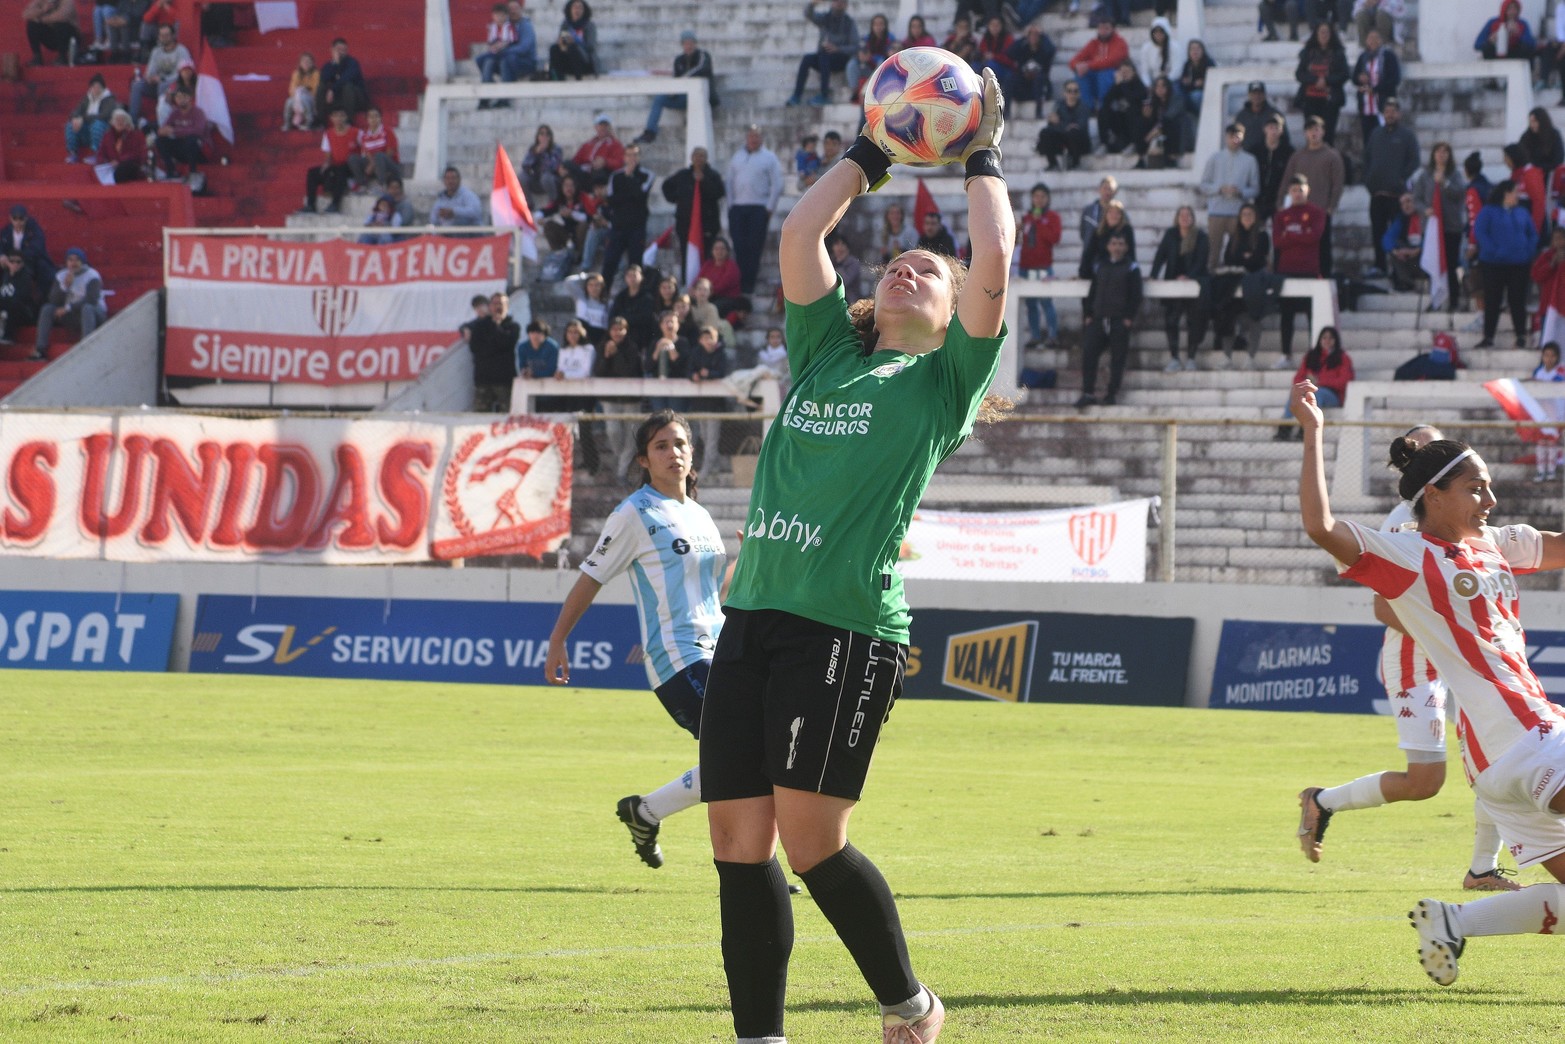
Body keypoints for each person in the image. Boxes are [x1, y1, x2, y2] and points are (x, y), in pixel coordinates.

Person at [699, 64, 1008, 1044]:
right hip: (751, 616)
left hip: (842, 631)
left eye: (928, 270)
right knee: (734, 845)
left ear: (953, 308)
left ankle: (910, 1006)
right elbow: (799, 235)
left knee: (808, 843)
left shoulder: (940, 383)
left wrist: (978, 155)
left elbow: (993, 260)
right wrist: (872, 150)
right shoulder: (829, 350)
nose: (904, 270)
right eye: (897, 265)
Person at [1288, 392, 1565, 990]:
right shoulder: (1408, 553)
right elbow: (1321, 527)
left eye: (1489, 487)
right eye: (1476, 488)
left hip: (1499, 766)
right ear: (1433, 495)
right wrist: (1313, 433)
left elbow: (1560, 545)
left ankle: (1452, 920)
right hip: (1526, 739)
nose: (1489, 500)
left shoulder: (1495, 541)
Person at [1294, 421, 1524, 891]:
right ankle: (1324, 800)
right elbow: (1384, 605)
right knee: (1425, 782)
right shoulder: (1402, 526)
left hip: (1471, 663)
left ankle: (1483, 867)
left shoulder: (1472, 525)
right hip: (1417, 662)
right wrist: (1450, 635)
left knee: (1500, 755)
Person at [548, 409, 728, 868]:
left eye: (681, 444)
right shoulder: (634, 513)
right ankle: (749, 865)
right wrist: (558, 641)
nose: (674, 453)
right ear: (644, 460)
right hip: (677, 657)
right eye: (661, 446)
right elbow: (591, 577)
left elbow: (714, 594)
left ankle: (645, 812)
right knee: (745, 753)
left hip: (723, 651)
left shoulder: (701, 514)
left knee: (747, 758)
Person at [1077, 230, 1142, 407]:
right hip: (1098, 319)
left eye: (1121, 244)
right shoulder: (1100, 265)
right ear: (1108, 246)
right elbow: (1092, 292)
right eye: (1114, 243)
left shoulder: (1131, 267)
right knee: (1089, 355)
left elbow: (1136, 295)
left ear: (1126, 247)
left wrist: (1128, 317)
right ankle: (1088, 392)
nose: (1117, 247)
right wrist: (1088, 314)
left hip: (1119, 320)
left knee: (1117, 359)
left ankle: (1111, 394)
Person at [1279, 116, 1345, 279]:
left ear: (1323, 131)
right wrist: (1280, 203)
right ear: (1305, 133)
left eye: (1317, 129)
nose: (1313, 133)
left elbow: (1338, 183)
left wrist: (1331, 206)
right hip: (1297, 212)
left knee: (1322, 248)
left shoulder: (1332, 156)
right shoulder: (1297, 156)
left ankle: (1324, 278)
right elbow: (1287, 180)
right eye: (1310, 130)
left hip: (1321, 211)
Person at [1474, 180, 1538, 348]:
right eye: (1515, 192)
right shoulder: (1488, 211)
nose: (1518, 195)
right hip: (1493, 264)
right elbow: (1480, 232)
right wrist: (1493, 250)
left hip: (1519, 264)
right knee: (1492, 300)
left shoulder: (1522, 212)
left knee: (1517, 300)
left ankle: (1521, 335)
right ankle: (1488, 337)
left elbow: (1532, 234)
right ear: (1506, 193)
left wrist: (1528, 251)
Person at [1273, 174, 1327, 367]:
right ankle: (1285, 354)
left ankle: (1315, 356)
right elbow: (1277, 242)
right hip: (1286, 271)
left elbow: (1315, 236)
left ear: (1307, 191)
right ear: (1289, 192)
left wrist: (1292, 235)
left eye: (1300, 190)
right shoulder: (1281, 216)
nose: (1297, 194)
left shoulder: (1316, 212)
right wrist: (1301, 234)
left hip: (1309, 269)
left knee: (1312, 315)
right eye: (1294, 190)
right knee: (1286, 315)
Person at [1363, 97, 1421, 275]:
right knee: (1377, 232)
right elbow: (1367, 159)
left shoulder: (1407, 135)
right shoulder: (1375, 134)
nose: (1390, 115)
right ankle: (1379, 266)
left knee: (1398, 235)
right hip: (1377, 194)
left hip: (1397, 196)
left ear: (1399, 114)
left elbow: (1415, 161)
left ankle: (1399, 270)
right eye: (1387, 111)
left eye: (1393, 111)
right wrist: (1370, 180)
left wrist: (1400, 179)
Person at [1210, 201, 1271, 366]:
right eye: (1243, 215)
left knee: (1254, 319)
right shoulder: (1234, 237)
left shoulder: (1262, 236)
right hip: (1232, 284)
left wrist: (1246, 259)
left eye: (1250, 215)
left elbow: (1258, 259)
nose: (1247, 218)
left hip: (1254, 283)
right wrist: (1245, 258)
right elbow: (1229, 258)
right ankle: (1227, 357)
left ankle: (1251, 357)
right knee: (1227, 316)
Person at [726, 125, 784, 297]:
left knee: (754, 246)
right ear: (746, 138)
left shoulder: (769, 158)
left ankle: (749, 284)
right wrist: (731, 206)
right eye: (751, 136)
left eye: (756, 136)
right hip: (738, 208)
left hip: (759, 208)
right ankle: (739, 282)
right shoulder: (737, 157)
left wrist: (769, 207)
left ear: (761, 138)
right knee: (739, 246)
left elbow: (777, 184)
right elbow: (729, 182)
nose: (753, 139)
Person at [1150, 205, 1209, 372]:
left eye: (1188, 215)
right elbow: (1161, 255)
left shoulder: (1201, 236)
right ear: (1177, 217)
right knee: (1171, 321)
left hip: (1194, 285)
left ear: (1193, 218)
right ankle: (1174, 358)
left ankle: (1191, 357)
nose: (1185, 218)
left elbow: (1201, 260)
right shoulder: (1171, 234)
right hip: (1173, 285)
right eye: (1181, 215)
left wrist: (1189, 275)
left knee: (1194, 322)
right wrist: (1154, 274)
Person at [1409, 141, 1468, 311]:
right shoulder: (1425, 175)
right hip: (1433, 227)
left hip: (1451, 227)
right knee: (1434, 262)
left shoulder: (1454, 175)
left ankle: (1454, 299)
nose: (1442, 155)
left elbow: (1459, 194)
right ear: (1433, 154)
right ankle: (1436, 298)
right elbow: (1417, 198)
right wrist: (1424, 210)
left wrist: (1445, 183)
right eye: (1438, 151)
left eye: (1445, 152)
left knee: (1450, 263)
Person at [635, 30, 716, 144]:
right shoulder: (679, 60)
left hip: (701, 97)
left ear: (695, 43)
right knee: (660, 98)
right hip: (683, 97)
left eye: (691, 43)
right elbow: (676, 80)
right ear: (682, 45)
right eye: (686, 43)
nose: (688, 46)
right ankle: (650, 132)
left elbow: (701, 69)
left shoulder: (703, 55)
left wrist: (682, 80)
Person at [662, 147, 726, 282]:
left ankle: (706, 285)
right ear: (691, 158)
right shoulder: (683, 175)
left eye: (702, 156)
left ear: (706, 158)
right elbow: (666, 186)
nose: (699, 159)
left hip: (708, 225)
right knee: (687, 256)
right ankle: (688, 283)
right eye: (696, 155)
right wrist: (675, 197)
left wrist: (703, 181)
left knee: (709, 255)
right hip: (686, 225)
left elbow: (719, 193)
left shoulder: (713, 175)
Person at [1201, 123, 1260, 269]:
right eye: (1231, 136)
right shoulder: (1215, 158)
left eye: (1238, 137)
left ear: (1243, 138)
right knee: (1213, 251)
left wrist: (1240, 192)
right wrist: (1219, 189)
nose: (1234, 140)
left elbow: (1255, 188)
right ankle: (1212, 280)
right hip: (1216, 211)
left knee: (1237, 249)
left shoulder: (1250, 160)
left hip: (1238, 213)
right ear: (1226, 137)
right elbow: (1203, 185)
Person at [30, 247, 105, 361]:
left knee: (87, 308)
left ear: (82, 261)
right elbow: (53, 300)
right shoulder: (61, 275)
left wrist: (68, 307)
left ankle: (87, 348)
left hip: (93, 313)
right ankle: (40, 350)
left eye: (76, 260)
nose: (73, 263)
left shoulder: (92, 275)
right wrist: (65, 286)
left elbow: (91, 300)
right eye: (70, 260)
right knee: (47, 308)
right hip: (71, 314)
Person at [1277, 326, 1352, 437]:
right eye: (1324, 338)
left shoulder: (1343, 358)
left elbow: (1344, 381)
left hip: (1332, 394)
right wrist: (1307, 383)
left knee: (1317, 394)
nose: (1327, 341)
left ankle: (1305, 428)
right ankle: (1285, 426)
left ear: (1335, 340)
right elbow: (1298, 378)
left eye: (1330, 338)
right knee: (1296, 392)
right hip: (1310, 389)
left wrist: (1320, 382)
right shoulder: (1311, 356)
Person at [600, 144, 655, 290]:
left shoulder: (647, 174)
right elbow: (611, 200)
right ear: (624, 157)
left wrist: (629, 178)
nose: (632, 158)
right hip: (618, 226)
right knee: (609, 262)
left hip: (637, 226)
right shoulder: (616, 176)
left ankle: (636, 295)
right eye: (629, 155)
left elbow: (640, 195)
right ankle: (603, 295)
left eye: (635, 155)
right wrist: (629, 190)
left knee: (635, 264)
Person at [787, 0, 859, 107]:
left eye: (842, 1)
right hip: (824, 58)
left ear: (846, 5)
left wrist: (837, 48)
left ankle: (824, 95)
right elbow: (808, 14)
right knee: (808, 58)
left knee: (824, 55)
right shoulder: (825, 18)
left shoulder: (849, 22)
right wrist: (813, 3)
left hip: (841, 59)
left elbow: (855, 47)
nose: (838, 3)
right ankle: (796, 95)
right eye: (836, 1)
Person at [1292, 24, 1349, 150]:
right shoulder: (1307, 52)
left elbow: (1344, 74)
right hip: (1310, 100)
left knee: (1328, 136)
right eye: (1321, 32)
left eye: (1326, 32)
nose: (1324, 35)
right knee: (1311, 135)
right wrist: (1315, 80)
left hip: (1330, 101)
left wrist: (1326, 80)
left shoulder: (1338, 53)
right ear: (1316, 34)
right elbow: (1299, 74)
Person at [1018, 183, 1061, 349]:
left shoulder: (1052, 217)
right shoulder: (1027, 217)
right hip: (1026, 266)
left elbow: (1054, 238)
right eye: (1036, 196)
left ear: (1047, 199)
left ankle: (1052, 336)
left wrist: (1040, 223)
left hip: (1043, 266)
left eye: (1042, 196)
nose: (1039, 200)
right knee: (1031, 303)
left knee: (1046, 302)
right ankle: (1035, 336)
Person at [129, 23, 191, 131]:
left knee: (163, 84)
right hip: (157, 86)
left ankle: (160, 121)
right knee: (137, 85)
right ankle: (131, 121)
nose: (164, 38)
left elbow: (183, 74)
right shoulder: (156, 51)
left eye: (167, 35)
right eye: (162, 35)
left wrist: (162, 79)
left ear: (173, 36)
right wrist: (150, 78)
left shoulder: (182, 51)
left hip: (177, 88)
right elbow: (150, 71)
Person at [468, 290, 520, 411]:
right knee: (480, 418)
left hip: (504, 380)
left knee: (506, 416)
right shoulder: (480, 326)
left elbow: (507, 343)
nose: (498, 307)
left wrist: (496, 326)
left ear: (507, 306)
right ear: (490, 306)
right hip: (483, 379)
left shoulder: (513, 326)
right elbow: (475, 347)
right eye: (495, 303)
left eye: (501, 304)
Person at [300, 107, 356, 215]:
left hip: (349, 167)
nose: (338, 118)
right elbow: (328, 155)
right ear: (331, 118)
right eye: (336, 116)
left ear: (346, 117)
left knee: (341, 170)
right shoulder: (328, 134)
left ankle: (335, 204)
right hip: (335, 166)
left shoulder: (356, 132)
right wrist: (326, 165)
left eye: (341, 115)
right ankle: (311, 204)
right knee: (313, 173)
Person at [1069, 17, 1129, 113]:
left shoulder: (1120, 42)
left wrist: (1088, 65)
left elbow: (1111, 61)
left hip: (1116, 78)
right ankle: (1087, 109)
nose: (1103, 31)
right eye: (1100, 28)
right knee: (1080, 75)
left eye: (1106, 28)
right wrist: (1077, 66)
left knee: (1105, 74)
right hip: (1096, 80)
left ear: (1113, 29)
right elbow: (1074, 60)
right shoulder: (1093, 43)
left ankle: (1104, 108)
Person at [1352, 28, 1400, 145]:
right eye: (1370, 38)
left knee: (1385, 138)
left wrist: (1375, 89)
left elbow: (1394, 79)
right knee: (1368, 139)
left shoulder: (1388, 56)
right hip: (1366, 106)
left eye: (1376, 38)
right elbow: (1354, 77)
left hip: (1383, 104)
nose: (1373, 41)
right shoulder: (1363, 57)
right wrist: (1360, 78)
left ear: (1381, 41)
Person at [155, 85, 209, 182]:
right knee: (160, 141)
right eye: (178, 97)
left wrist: (175, 131)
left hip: (198, 150)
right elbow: (163, 129)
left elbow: (198, 131)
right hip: (182, 148)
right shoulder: (175, 113)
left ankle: (193, 172)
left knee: (191, 139)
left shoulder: (198, 112)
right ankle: (171, 171)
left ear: (189, 98)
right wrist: (163, 131)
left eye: (183, 97)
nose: (180, 100)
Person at [1035, 79, 1090, 171]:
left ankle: (1075, 163)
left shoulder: (1083, 107)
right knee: (1046, 132)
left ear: (1079, 93)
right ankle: (1053, 164)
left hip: (1079, 142)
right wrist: (1066, 126)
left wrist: (1061, 124)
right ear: (1064, 93)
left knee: (1074, 133)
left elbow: (1080, 126)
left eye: (1075, 91)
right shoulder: (1059, 106)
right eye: (1069, 91)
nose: (1072, 94)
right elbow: (1052, 124)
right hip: (1062, 140)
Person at [64, 74, 116, 163]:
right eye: (94, 87)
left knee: (97, 124)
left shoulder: (109, 99)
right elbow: (76, 111)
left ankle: (97, 154)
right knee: (71, 124)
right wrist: (75, 118)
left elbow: (104, 115)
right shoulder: (86, 99)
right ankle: (72, 153)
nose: (96, 89)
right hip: (86, 130)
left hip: (102, 129)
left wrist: (83, 119)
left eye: (98, 87)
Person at [1097, 60, 1146, 155]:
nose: (1124, 75)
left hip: (1134, 124)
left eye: (1127, 72)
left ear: (1133, 73)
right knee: (1103, 111)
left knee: (1132, 110)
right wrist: (1115, 85)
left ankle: (1134, 144)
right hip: (1121, 122)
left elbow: (1132, 98)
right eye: (1122, 72)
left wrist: (1123, 84)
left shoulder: (1139, 85)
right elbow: (1107, 100)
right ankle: (1104, 144)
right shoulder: (1118, 85)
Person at [846, 13, 897, 103]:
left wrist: (875, 57)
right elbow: (861, 52)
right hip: (867, 68)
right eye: (876, 24)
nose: (878, 27)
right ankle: (855, 91)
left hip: (883, 71)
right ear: (872, 26)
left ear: (885, 26)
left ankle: (869, 91)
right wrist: (863, 56)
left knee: (881, 62)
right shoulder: (866, 38)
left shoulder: (890, 38)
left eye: (881, 24)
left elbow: (892, 54)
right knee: (852, 64)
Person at [1531, 345, 1565, 481]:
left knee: (1552, 442)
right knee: (1541, 442)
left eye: (1552, 355)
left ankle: (1551, 471)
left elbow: (1556, 383)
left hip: (1556, 412)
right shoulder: (1538, 372)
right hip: (1541, 413)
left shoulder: (1561, 370)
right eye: (1546, 355)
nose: (1549, 358)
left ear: (1557, 357)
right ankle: (1540, 471)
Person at [1078, 198, 1135, 278]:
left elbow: (1131, 253)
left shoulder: (1127, 230)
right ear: (1105, 215)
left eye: (1117, 213)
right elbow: (1089, 254)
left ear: (1121, 215)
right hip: (1102, 271)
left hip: (1121, 271)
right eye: (1111, 212)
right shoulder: (1098, 231)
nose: (1114, 216)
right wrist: (1083, 274)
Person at [1007, 24, 1056, 118]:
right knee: (1010, 77)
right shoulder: (1022, 49)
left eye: (1036, 35)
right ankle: (1006, 112)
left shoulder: (1044, 50)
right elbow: (1009, 52)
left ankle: (1038, 113)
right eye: (1031, 35)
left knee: (1039, 78)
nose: (1033, 37)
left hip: (1039, 89)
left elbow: (1052, 51)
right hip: (1024, 88)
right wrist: (1023, 37)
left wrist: (1043, 35)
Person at [1382, 191, 1427, 291]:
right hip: (1410, 261)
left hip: (1424, 261)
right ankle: (1407, 282)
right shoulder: (1401, 219)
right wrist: (1396, 251)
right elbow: (1387, 238)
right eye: (1402, 203)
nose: (1406, 206)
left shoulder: (1425, 217)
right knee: (1394, 247)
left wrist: (1417, 250)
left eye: (1408, 201)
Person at [1254, 114, 1294, 227]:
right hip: (1259, 199)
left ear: (1281, 131)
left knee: (1280, 233)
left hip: (1279, 198)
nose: (1273, 131)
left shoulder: (1288, 152)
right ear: (1265, 129)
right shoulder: (1255, 151)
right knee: (1257, 234)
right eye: (1270, 127)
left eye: (1277, 128)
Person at [348, 107, 401, 191]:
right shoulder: (365, 135)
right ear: (367, 119)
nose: (374, 119)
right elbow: (367, 152)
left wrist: (373, 164)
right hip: (375, 165)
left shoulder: (388, 131)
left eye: (376, 116)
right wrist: (372, 163)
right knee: (353, 158)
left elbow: (390, 152)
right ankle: (362, 184)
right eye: (371, 117)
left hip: (389, 165)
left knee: (379, 155)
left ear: (380, 118)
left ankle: (381, 184)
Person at [1236, 81, 1291, 161]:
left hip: (1269, 159)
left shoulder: (1274, 114)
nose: (1257, 96)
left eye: (1259, 93)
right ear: (1249, 95)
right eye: (1254, 93)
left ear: (1264, 95)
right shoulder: (1241, 116)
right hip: (1247, 158)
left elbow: (1285, 139)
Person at [6, 206, 55, 296]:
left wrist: (20, 260)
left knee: (45, 271)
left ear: (26, 218)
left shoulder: (34, 230)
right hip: (10, 262)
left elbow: (36, 248)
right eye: (15, 219)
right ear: (10, 219)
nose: (18, 222)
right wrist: (5, 259)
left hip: (32, 262)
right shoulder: (6, 231)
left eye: (21, 219)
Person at [316, 38, 369, 121]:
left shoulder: (353, 63)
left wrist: (333, 90)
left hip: (355, 99)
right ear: (332, 50)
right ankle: (320, 122)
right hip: (336, 99)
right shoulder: (327, 66)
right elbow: (324, 79)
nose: (341, 52)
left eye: (344, 50)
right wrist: (336, 64)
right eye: (338, 50)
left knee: (347, 86)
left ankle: (349, 121)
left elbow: (346, 78)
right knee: (321, 87)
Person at [474, 3, 516, 100]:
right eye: (497, 15)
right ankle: (487, 89)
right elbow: (490, 42)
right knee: (482, 61)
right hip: (494, 53)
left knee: (489, 60)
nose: (499, 18)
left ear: (506, 16)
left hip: (506, 53)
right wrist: (493, 47)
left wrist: (499, 46)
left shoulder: (509, 27)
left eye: (501, 15)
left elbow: (509, 41)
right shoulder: (492, 27)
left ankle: (498, 96)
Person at [0, 251, 42, 347]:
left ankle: (8, 336)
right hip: (6, 310)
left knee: (13, 305)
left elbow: (22, 297)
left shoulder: (26, 277)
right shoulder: (4, 276)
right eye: (12, 261)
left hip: (23, 312)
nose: (15, 264)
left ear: (22, 263)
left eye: (18, 262)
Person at [92, 109, 145, 184]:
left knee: (123, 169)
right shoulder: (107, 136)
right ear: (113, 122)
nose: (119, 122)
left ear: (127, 122)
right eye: (117, 120)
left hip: (130, 165)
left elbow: (136, 154)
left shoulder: (135, 134)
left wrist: (119, 161)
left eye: (122, 120)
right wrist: (104, 162)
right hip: (112, 166)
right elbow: (101, 153)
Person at [23, 0, 80, 66]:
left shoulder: (67, 2)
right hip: (53, 37)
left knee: (61, 25)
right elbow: (26, 14)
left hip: (70, 37)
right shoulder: (41, 2)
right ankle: (37, 57)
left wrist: (40, 19)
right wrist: (43, 10)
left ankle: (62, 57)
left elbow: (61, 16)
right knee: (32, 24)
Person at [1535, 227, 1565, 349]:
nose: (1557, 242)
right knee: (1548, 342)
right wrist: (1552, 263)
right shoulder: (1546, 256)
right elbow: (1536, 275)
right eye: (1555, 239)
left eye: (1560, 239)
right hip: (1548, 306)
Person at [521, 125, 564, 204]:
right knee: (522, 176)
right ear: (538, 137)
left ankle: (554, 202)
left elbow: (553, 167)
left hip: (551, 180)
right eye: (542, 134)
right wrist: (535, 153)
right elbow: (525, 165)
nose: (544, 137)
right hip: (536, 180)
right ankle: (529, 203)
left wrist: (544, 153)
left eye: (547, 134)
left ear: (550, 137)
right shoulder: (533, 149)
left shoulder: (556, 149)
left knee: (545, 177)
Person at [563, 270, 610, 342]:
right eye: (590, 285)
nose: (594, 288)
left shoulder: (607, 304)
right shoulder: (581, 298)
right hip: (582, 337)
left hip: (599, 337)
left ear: (602, 287)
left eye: (597, 285)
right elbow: (568, 281)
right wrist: (587, 276)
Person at [557, 0, 600, 76]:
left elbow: (591, 46)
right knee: (554, 48)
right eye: (575, 7)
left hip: (585, 60)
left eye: (580, 8)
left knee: (573, 48)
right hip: (568, 59)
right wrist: (561, 43)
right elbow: (563, 44)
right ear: (570, 10)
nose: (577, 10)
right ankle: (557, 76)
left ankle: (578, 76)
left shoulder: (589, 25)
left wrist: (576, 42)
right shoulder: (566, 25)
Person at [500, 0, 539, 83]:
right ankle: (486, 93)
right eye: (510, 9)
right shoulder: (505, 26)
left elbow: (524, 48)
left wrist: (504, 51)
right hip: (509, 59)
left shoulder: (526, 26)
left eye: (516, 8)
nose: (513, 11)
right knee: (486, 60)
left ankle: (507, 92)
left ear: (521, 10)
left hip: (526, 61)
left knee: (508, 59)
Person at [1137, 16, 1181, 88]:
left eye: (1161, 31)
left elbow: (1177, 70)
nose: (1158, 34)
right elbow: (1144, 71)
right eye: (1155, 32)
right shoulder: (1146, 48)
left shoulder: (1175, 47)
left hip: (1170, 81)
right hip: (1153, 82)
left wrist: (1164, 81)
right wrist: (1148, 84)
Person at [1521, 106, 1565, 174]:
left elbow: (1558, 159)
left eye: (1534, 121)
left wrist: (1543, 168)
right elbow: (1523, 157)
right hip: (1533, 174)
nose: (1532, 125)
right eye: (1530, 122)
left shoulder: (1554, 135)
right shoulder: (1526, 137)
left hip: (1551, 173)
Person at [283, 52, 320, 130]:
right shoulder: (296, 74)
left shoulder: (316, 74)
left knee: (304, 99)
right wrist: (298, 95)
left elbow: (316, 90)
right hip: (297, 97)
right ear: (300, 63)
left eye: (308, 61)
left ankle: (309, 122)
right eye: (304, 61)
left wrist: (304, 93)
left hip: (311, 98)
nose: (306, 63)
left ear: (312, 63)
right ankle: (287, 123)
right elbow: (292, 89)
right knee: (289, 101)